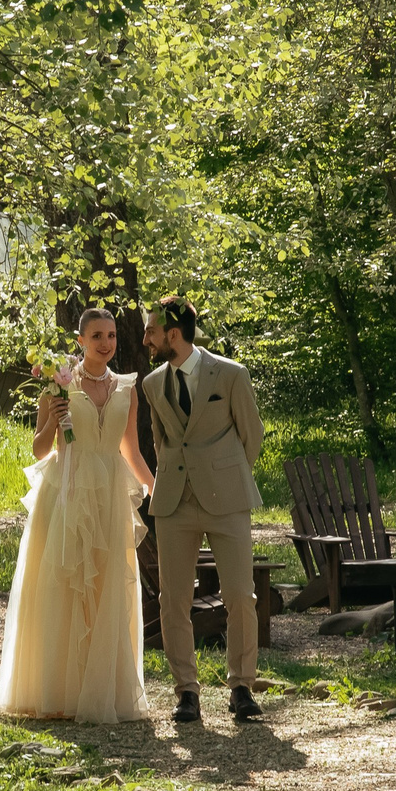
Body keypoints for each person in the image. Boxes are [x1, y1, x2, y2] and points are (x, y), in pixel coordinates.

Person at [0, 309, 154, 722]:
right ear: (80, 340)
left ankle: (102, 690)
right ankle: (59, 690)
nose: (106, 343)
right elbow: (39, 449)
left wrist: (157, 488)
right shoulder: (58, 381)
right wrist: (57, 419)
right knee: (63, 588)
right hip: (66, 493)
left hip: (110, 500)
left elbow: (130, 450)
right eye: (97, 335)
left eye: (112, 335)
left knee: (106, 588)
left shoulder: (127, 387)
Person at [139, 296, 267, 723]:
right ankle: (186, 693)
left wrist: (223, 476)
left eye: (151, 330)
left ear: (172, 334)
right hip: (174, 502)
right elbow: (160, 441)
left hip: (227, 500)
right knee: (173, 601)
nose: (146, 338)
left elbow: (252, 435)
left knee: (239, 596)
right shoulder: (152, 383)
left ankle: (242, 688)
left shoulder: (231, 374)